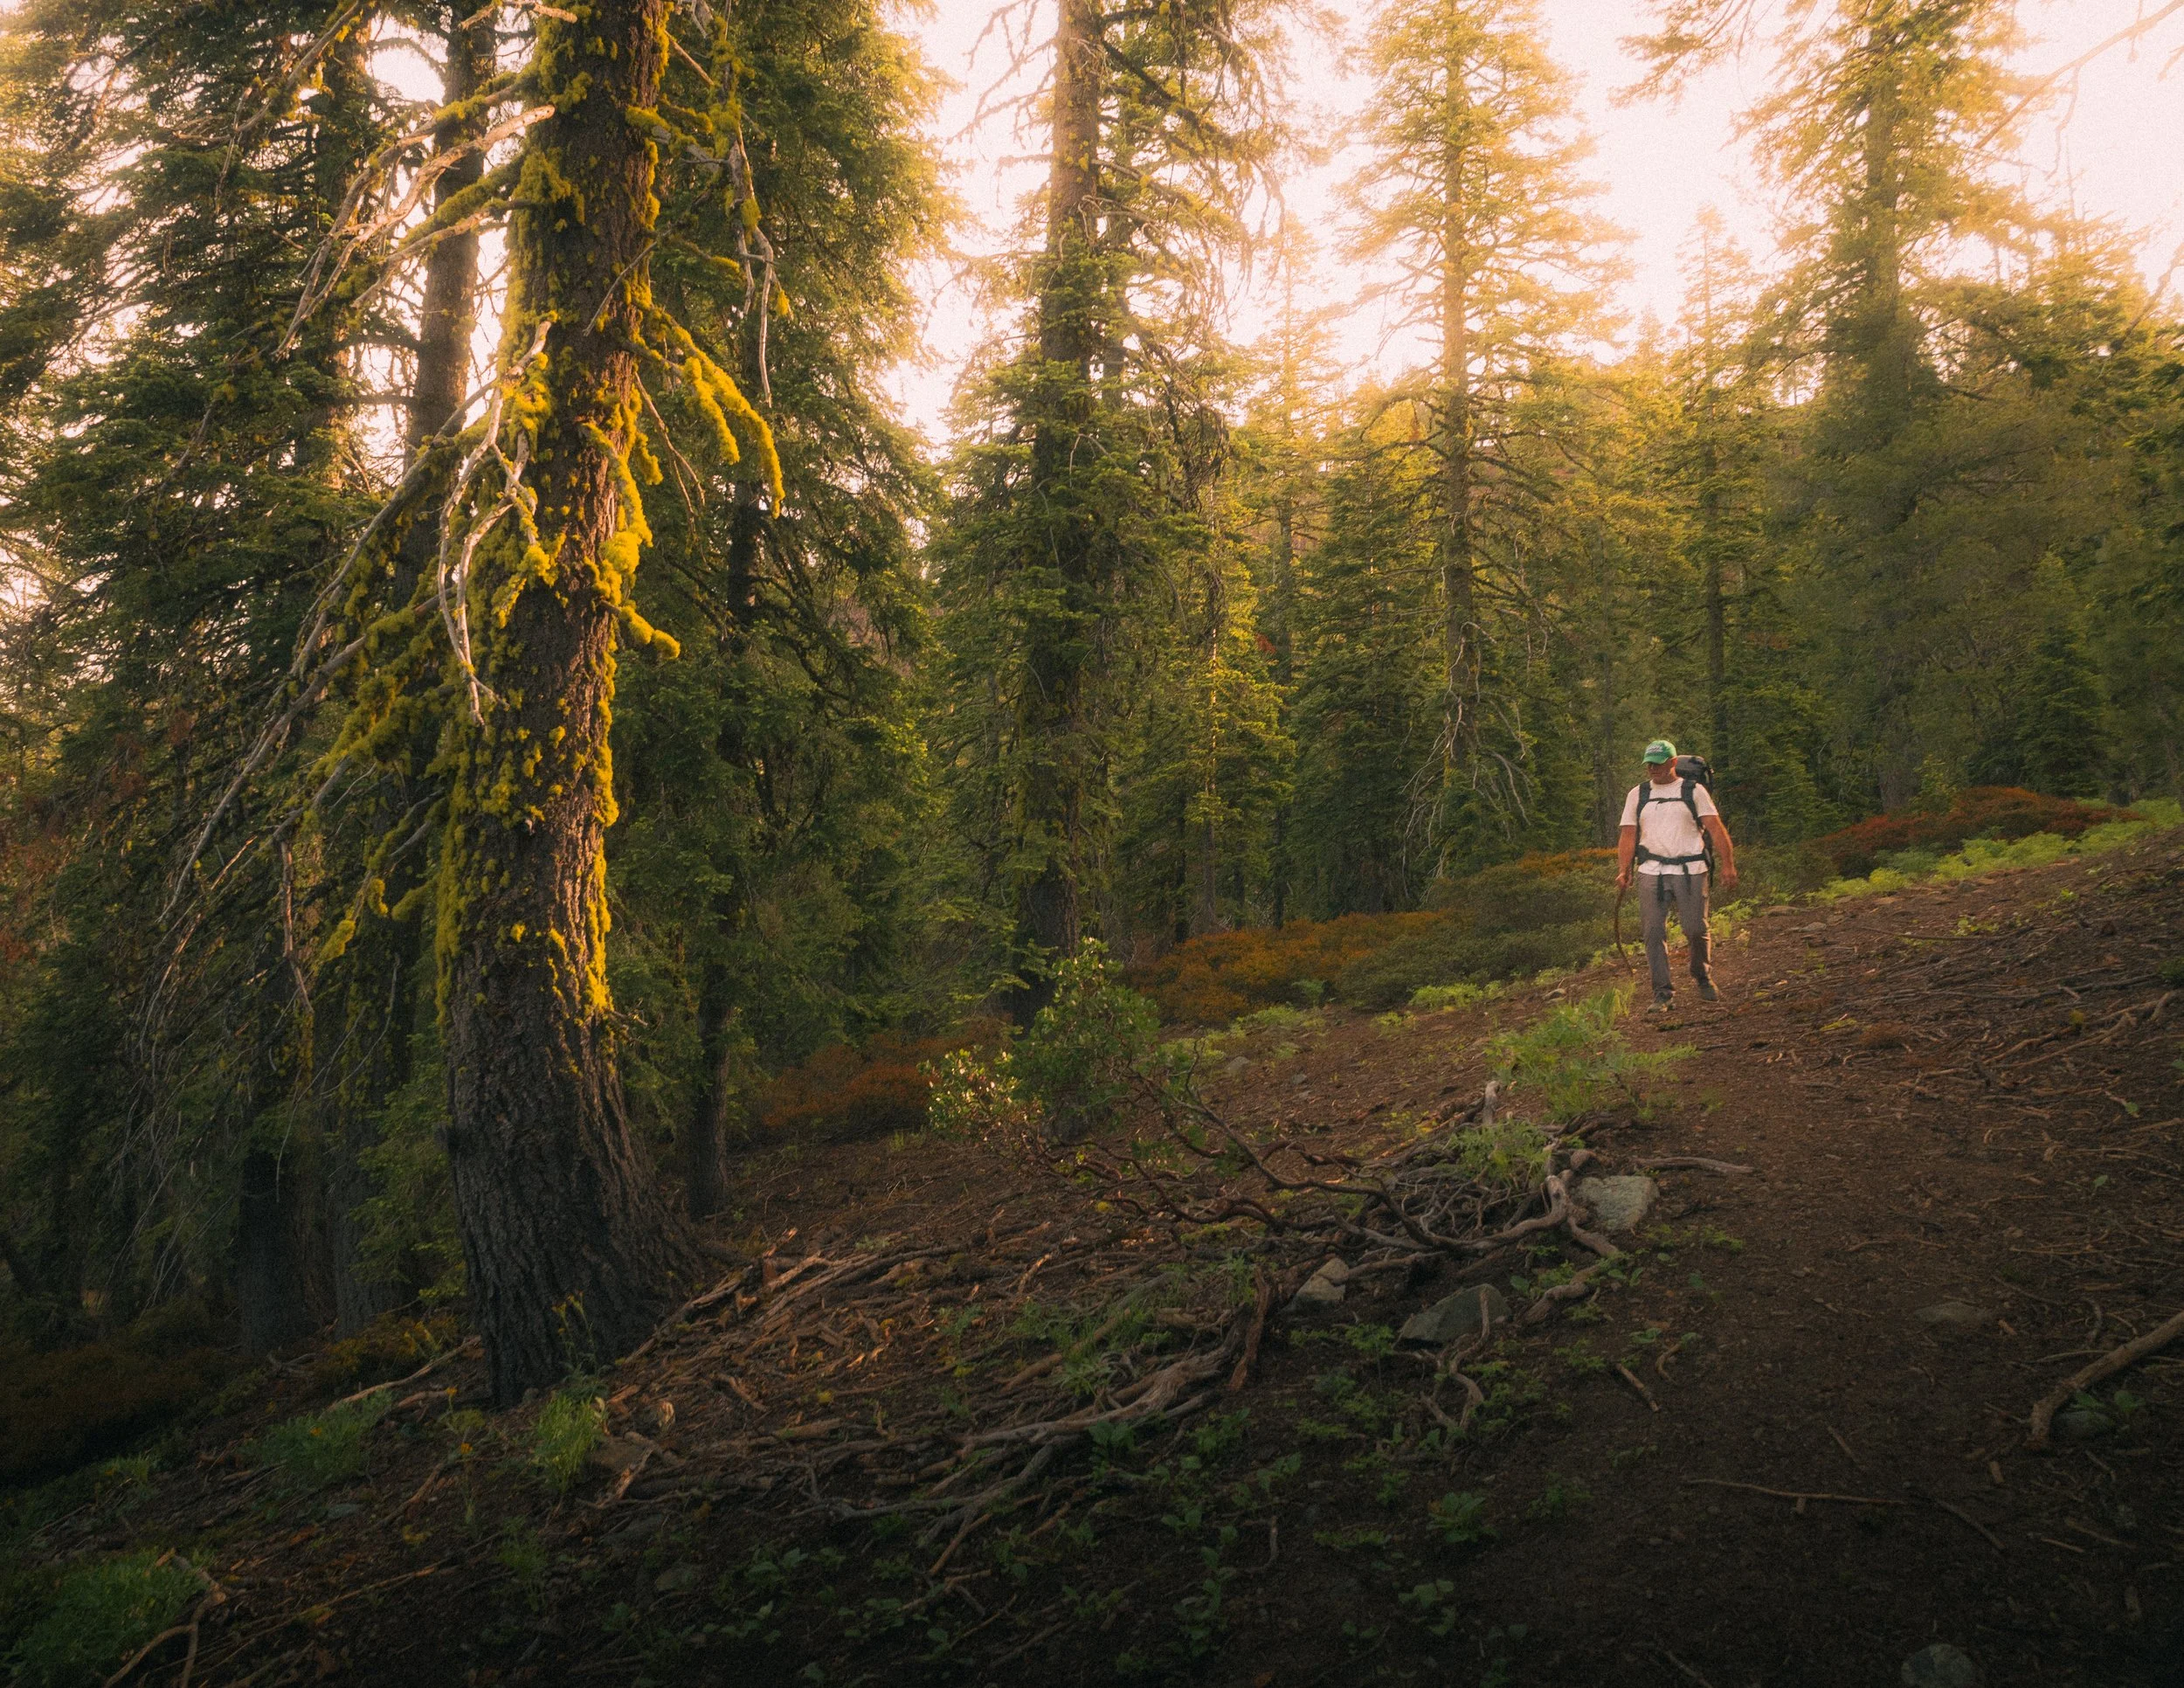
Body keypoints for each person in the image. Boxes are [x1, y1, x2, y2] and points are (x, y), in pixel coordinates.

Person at [1614, 738, 1738, 1010]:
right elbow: (1628, 834)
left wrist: (1728, 864)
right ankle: (1662, 993)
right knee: (1653, 932)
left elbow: (1715, 829)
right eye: (1648, 764)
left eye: (1657, 764)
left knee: (1695, 929)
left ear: (1672, 763)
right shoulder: (1638, 794)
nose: (1652, 769)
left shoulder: (1694, 791)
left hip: (1692, 869)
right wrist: (1623, 869)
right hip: (1651, 871)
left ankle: (1702, 976)